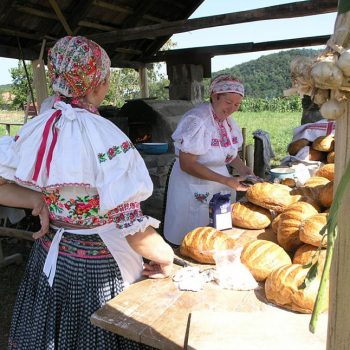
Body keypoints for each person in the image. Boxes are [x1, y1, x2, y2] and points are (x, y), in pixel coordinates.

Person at [0, 36, 174, 350]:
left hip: (53, 256)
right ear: (97, 85)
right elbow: (129, 224)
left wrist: (37, 199)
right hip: (98, 266)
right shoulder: (104, 136)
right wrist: (165, 256)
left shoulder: (39, 128)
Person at [163, 74, 255, 246]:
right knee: (194, 237)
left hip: (221, 183)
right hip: (192, 181)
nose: (232, 109)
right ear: (214, 96)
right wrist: (226, 180)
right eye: (228, 103)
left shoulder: (227, 122)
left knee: (218, 235)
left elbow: (229, 153)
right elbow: (187, 164)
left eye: (237, 104)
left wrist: (243, 169)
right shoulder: (198, 120)